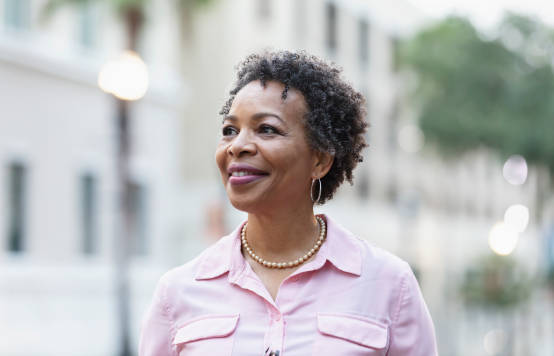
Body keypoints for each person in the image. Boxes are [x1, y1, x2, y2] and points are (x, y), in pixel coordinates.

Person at [139, 50, 438, 355]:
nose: (238, 145)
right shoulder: (177, 292)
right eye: (230, 130)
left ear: (320, 160)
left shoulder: (388, 284)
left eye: (266, 129)